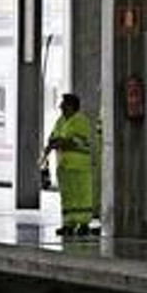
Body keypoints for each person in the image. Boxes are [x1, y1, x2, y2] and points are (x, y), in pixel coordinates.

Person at [45, 93, 98, 236]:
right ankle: (68, 224)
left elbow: (73, 141)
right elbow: (53, 137)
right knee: (67, 196)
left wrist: (58, 142)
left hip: (80, 166)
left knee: (82, 196)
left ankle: (84, 224)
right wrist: (52, 143)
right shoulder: (61, 121)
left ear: (71, 106)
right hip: (64, 166)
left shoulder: (81, 121)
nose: (60, 106)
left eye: (63, 104)